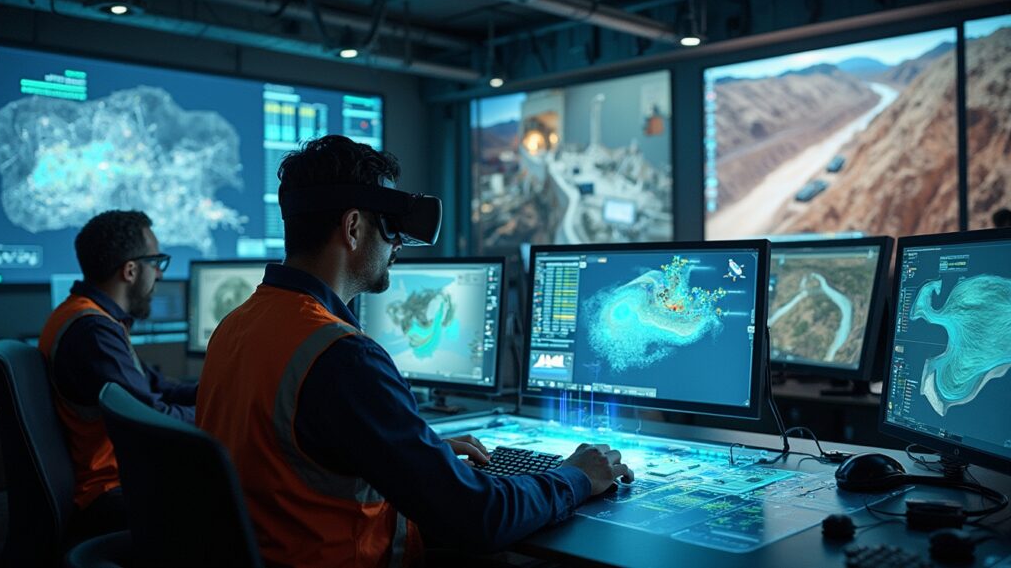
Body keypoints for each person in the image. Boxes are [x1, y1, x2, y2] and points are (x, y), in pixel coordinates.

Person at [197, 135, 633, 568]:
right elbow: (479, 518)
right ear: (353, 228)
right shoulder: (341, 355)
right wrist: (576, 476)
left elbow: (293, 453)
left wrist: (417, 451)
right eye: (389, 227)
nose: (398, 244)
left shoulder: (238, 325)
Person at [38, 210, 198, 540]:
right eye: (157, 263)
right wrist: (223, 412)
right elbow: (151, 420)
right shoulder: (92, 331)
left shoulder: (89, 316)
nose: (160, 275)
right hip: (109, 493)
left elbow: (155, 386)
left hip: (119, 481)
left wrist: (218, 390)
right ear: (130, 270)